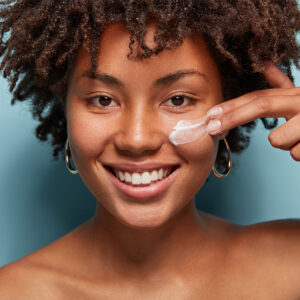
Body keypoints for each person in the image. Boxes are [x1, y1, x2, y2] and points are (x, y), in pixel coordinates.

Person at [0, 0, 300, 298]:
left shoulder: (290, 269)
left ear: (230, 104)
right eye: (103, 100)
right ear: (64, 107)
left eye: (178, 100)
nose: (137, 139)